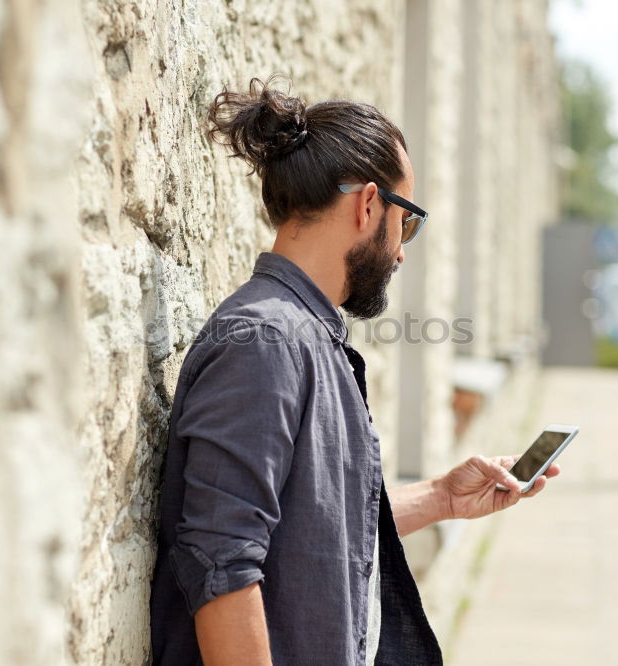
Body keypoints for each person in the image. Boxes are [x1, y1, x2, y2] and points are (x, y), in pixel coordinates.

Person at [150, 77, 560, 666]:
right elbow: (222, 564)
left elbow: (316, 531)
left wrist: (443, 497)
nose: (400, 251)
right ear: (369, 205)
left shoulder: (303, 335)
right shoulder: (264, 342)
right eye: (408, 222)